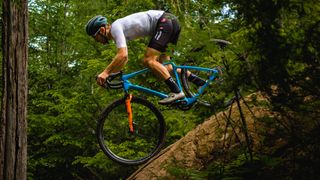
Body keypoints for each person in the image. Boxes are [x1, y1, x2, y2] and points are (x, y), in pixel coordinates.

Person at [85, 10, 205, 104]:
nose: (97, 41)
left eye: (95, 37)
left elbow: (122, 54)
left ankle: (176, 91)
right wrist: (110, 75)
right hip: (170, 22)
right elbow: (124, 59)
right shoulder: (118, 29)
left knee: (148, 60)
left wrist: (105, 72)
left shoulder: (116, 27)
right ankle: (201, 82)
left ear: (102, 30)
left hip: (164, 22)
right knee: (166, 68)